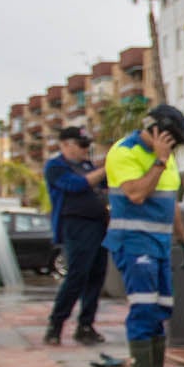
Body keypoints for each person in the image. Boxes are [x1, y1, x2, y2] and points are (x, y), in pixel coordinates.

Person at [105, 105, 184, 367]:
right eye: (173, 140)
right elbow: (136, 194)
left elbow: (171, 203)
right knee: (143, 309)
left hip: (158, 244)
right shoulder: (124, 152)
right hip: (133, 243)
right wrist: (158, 160)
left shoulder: (165, 160)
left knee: (161, 309)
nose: (175, 148)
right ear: (160, 132)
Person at [43, 126, 111, 346]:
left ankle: (86, 325)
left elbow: (105, 184)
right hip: (76, 225)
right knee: (77, 276)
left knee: (96, 276)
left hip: (98, 224)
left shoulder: (87, 166)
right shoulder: (56, 167)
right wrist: (104, 169)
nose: (85, 149)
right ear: (65, 145)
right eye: (81, 145)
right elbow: (76, 185)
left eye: (87, 145)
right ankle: (56, 325)